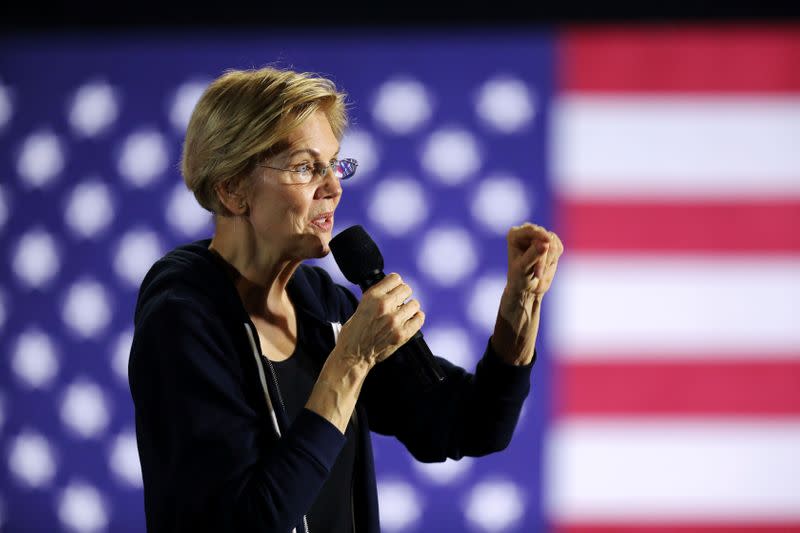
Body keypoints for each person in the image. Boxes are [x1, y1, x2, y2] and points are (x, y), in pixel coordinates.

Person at [128, 67, 564, 533]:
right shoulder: (183, 322)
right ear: (233, 190)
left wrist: (520, 313)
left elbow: (468, 426)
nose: (334, 187)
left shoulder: (324, 308)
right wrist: (351, 362)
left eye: (334, 164)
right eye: (304, 167)